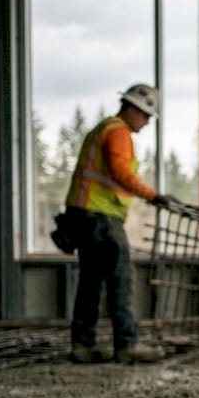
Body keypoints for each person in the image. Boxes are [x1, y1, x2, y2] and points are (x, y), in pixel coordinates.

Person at [61, 83, 174, 365]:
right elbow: (121, 172)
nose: (147, 123)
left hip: (84, 216)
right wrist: (154, 196)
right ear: (133, 109)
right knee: (120, 278)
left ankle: (82, 344)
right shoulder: (119, 132)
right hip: (101, 217)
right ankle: (127, 345)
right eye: (146, 116)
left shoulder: (101, 129)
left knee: (91, 281)